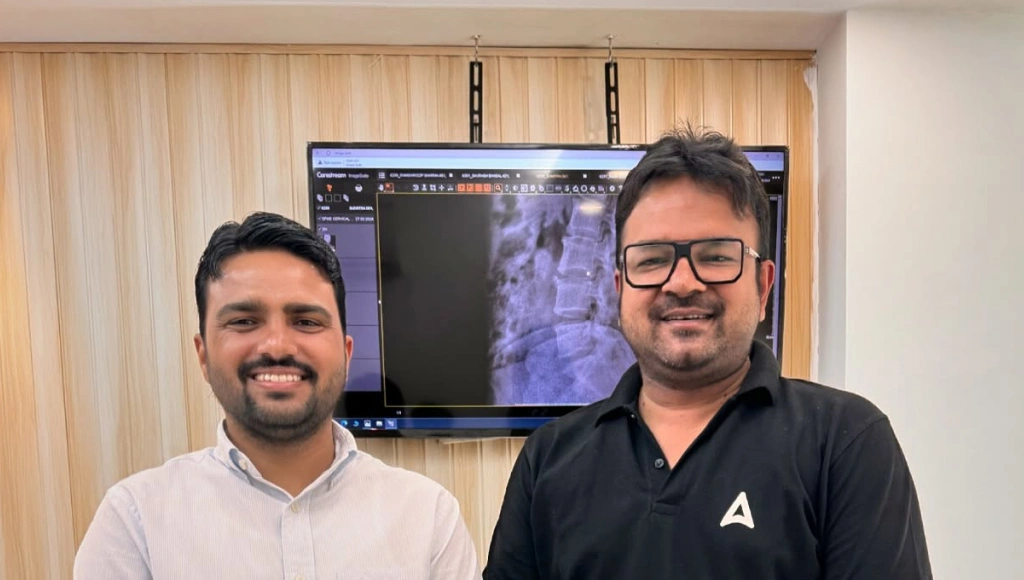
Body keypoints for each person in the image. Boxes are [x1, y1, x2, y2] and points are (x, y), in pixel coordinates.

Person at [483, 126, 932, 580]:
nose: (682, 283)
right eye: (652, 259)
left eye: (716, 257)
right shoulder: (547, 460)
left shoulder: (845, 444)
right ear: (619, 289)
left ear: (763, 287)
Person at [74, 211, 480, 580]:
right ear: (203, 355)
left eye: (306, 321)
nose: (277, 345)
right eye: (244, 321)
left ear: (345, 353)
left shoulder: (427, 517)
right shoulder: (135, 523)